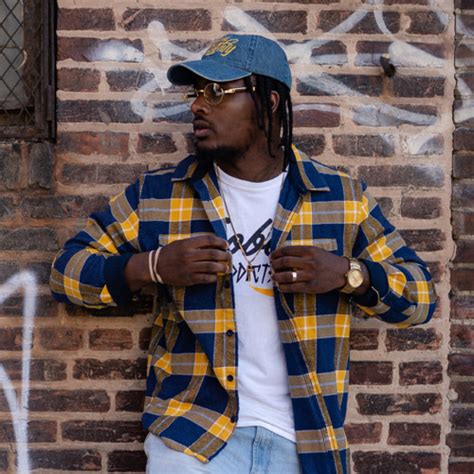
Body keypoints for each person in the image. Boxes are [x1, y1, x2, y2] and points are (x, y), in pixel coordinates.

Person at [50, 34, 436, 474]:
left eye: (217, 92)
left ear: (269, 102)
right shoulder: (160, 195)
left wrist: (350, 275)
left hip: (304, 444)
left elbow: (420, 298)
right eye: (197, 93)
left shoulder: (339, 198)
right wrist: (153, 266)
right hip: (192, 439)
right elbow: (67, 273)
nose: (198, 106)